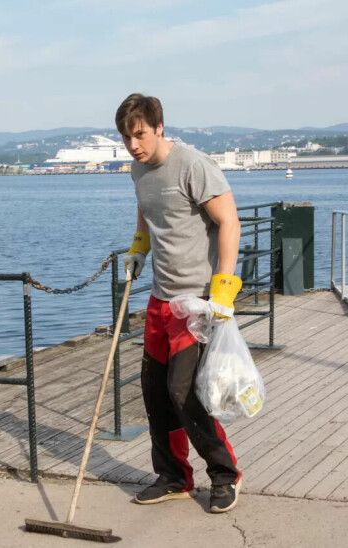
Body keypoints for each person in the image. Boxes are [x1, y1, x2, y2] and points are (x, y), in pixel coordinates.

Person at [115, 93, 243, 513]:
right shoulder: (138, 171)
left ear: (159, 128)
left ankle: (225, 475)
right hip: (159, 300)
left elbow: (229, 222)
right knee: (154, 393)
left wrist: (224, 288)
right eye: (126, 137)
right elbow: (146, 213)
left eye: (140, 135)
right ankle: (173, 476)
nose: (134, 145)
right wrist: (138, 248)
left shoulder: (192, 165)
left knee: (183, 392)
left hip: (197, 302)